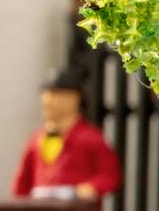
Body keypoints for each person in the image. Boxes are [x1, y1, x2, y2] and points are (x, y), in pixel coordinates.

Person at [11, 72, 122, 201]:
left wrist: (90, 188)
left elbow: (109, 175)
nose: (48, 100)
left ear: (75, 98)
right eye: (46, 94)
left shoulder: (91, 138)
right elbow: (22, 184)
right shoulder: (36, 139)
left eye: (57, 94)